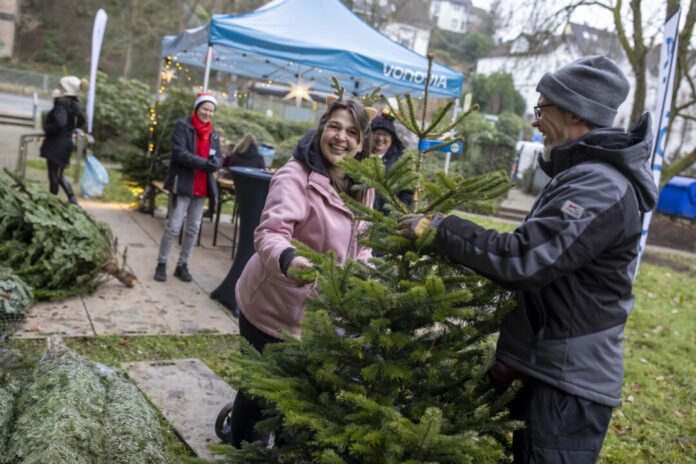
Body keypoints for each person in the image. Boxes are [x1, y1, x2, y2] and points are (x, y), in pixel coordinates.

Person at [397, 55, 658, 463]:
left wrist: (442, 229)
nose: (535, 121)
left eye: (542, 108)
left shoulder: (600, 184)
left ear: (575, 112)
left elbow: (525, 258)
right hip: (549, 371)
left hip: (568, 387)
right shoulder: (584, 174)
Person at [228, 96, 376, 447]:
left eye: (352, 132)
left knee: (299, 400)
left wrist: (366, 275)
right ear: (323, 127)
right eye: (335, 127)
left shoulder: (363, 184)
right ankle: (243, 449)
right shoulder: (294, 175)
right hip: (272, 308)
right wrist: (289, 259)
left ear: (361, 143)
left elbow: (363, 242)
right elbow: (269, 233)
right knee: (257, 395)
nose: (341, 137)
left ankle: (285, 451)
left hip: (319, 317)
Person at [154, 93, 222, 282]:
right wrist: (203, 163)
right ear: (197, 108)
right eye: (204, 109)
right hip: (183, 184)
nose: (207, 113)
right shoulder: (183, 126)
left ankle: (182, 265)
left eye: (211, 110)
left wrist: (216, 162)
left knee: (193, 228)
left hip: (202, 187)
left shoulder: (213, 134)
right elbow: (179, 153)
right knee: (173, 226)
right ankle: (161, 263)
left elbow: (220, 157)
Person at [40, 75, 88, 205]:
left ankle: (55, 201)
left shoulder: (61, 105)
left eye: (61, 86)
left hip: (56, 145)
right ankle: (67, 199)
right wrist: (69, 130)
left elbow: (60, 123)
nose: (58, 87)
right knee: (58, 174)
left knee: (54, 175)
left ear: (66, 88)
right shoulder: (74, 105)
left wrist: (47, 128)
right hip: (65, 143)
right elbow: (81, 121)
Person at [370, 110, 413, 216]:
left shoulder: (401, 161)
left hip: (389, 222)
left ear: (392, 138)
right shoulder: (360, 155)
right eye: (377, 133)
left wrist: (399, 214)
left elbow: (408, 193)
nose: (380, 138)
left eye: (385, 134)